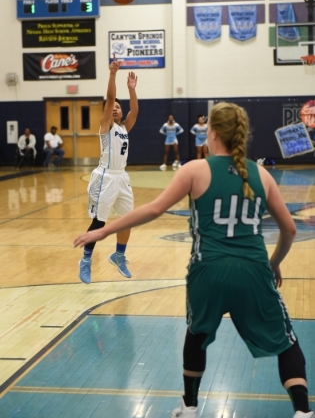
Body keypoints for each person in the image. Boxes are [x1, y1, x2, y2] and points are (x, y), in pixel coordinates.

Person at [74, 101, 313, 418]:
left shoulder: (195, 170)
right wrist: (274, 263)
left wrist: (102, 233)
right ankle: (302, 411)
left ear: (211, 133)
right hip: (254, 270)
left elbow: (153, 210)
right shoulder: (262, 174)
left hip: (207, 271)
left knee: (197, 334)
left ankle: (188, 406)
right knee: (286, 342)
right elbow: (290, 229)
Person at [78, 55, 138, 284]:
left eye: (118, 107)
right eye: (111, 106)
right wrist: (113, 74)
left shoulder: (124, 127)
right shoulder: (106, 125)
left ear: (121, 113)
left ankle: (119, 255)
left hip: (122, 177)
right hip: (104, 177)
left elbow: (135, 110)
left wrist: (132, 89)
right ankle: (85, 261)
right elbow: (110, 96)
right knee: (99, 222)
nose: (114, 108)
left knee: (128, 219)